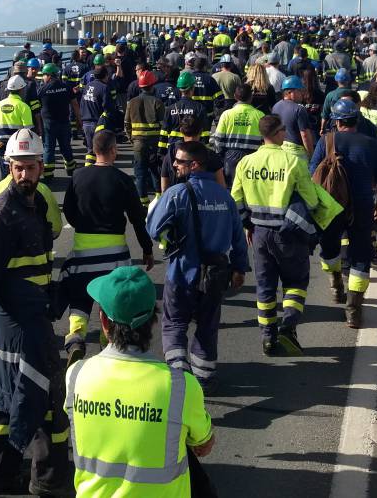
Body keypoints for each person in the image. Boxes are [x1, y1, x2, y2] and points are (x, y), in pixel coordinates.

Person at [0, 130, 72, 496]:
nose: (24, 175)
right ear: (9, 167)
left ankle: (4, 477)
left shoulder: (36, 202)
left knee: (11, 399)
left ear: (42, 167)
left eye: (30, 168)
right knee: (38, 401)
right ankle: (43, 480)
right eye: (18, 168)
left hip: (33, 314)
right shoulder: (3, 212)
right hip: (14, 322)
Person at [65, 266, 216, 497]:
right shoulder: (181, 386)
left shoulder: (76, 376)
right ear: (153, 322)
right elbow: (204, 443)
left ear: (104, 322)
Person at [232, 115, 342, 356]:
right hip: (289, 234)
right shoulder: (293, 161)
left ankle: (268, 338)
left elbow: (236, 200)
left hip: (259, 233)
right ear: (280, 133)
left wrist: (247, 226)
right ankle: (288, 325)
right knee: (296, 282)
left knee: (265, 287)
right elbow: (312, 201)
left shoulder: (246, 163)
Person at [146, 141, 247, 392]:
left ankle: (179, 376)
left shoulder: (177, 194)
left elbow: (153, 228)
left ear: (194, 165)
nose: (174, 165)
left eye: (179, 162)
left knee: (174, 324)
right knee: (207, 326)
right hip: (215, 276)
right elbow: (238, 236)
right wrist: (239, 269)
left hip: (182, 273)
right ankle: (203, 379)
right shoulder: (225, 196)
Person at [60, 130, 152, 367]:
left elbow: (68, 211)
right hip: (115, 254)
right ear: (113, 150)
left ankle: (76, 337)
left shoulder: (78, 176)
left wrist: (83, 224)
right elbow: (136, 218)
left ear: (93, 149)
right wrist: (147, 248)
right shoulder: (122, 179)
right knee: (110, 302)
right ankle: (107, 342)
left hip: (82, 250)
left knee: (79, 297)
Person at [310, 99, 377, 327]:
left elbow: (313, 173)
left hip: (331, 206)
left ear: (336, 121)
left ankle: (336, 285)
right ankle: (354, 310)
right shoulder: (371, 144)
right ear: (357, 120)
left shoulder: (326, 141)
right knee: (361, 256)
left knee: (330, 247)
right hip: (363, 207)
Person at [123, 70, 164, 205]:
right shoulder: (157, 102)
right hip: (154, 143)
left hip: (138, 144)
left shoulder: (131, 103)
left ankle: (143, 203)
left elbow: (126, 124)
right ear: (152, 86)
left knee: (140, 173)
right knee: (155, 171)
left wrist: (132, 139)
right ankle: (159, 200)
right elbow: (164, 124)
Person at [210, 85, 264, 187]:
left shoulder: (227, 114)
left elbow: (218, 139)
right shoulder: (260, 115)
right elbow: (264, 140)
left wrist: (221, 156)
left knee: (232, 188)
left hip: (230, 157)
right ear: (251, 97)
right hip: (252, 157)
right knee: (250, 187)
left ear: (235, 96)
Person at [36, 63, 80, 183]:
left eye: (44, 75)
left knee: (49, 148)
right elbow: (75, 104)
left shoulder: (42, 90)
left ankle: (48, 174)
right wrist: (79, 119)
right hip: (64, 122)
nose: (43, 78)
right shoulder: (65, 87)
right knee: (65, 146)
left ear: (49, 75)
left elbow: (37, 110)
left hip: (49, 124)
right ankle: (71, 169)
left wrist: (37, 126)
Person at [0, 75, 36, 179]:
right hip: (17, 142)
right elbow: (28, 130)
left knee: (3, 160)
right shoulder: (23, 106)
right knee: (17, 163)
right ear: (21, 89)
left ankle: (4, 181)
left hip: (0, 141)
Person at [158, 71, 208, 153]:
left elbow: (164, 132)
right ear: (193, 88)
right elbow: (205, 133)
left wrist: (161, 152)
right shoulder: (199, 108)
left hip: (173, 149)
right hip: (192, 149)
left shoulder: (170, 109)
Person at [79, 65, 116, 167]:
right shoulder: (104, 88)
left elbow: (82, 104)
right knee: (102, 151)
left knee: (91, 150)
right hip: (98, 123)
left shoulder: (87, 86)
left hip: (86, 123)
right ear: (106, 75)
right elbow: (108, 108)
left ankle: (88, 171)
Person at [271, 76, 316, 160]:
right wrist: (311, 156)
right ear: (290, 92)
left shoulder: (275, 107)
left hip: (280, 152)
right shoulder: (299, 109)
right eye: (300, 90)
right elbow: (305, 135)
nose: (302, 94)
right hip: (297, 155)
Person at [320, 68, 355, 133]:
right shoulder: (354, 94)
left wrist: (322, 129)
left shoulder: (330, 95)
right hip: (351, 127)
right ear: (349, 80)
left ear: (336, 80)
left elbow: (325, 115)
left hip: (335, 126)